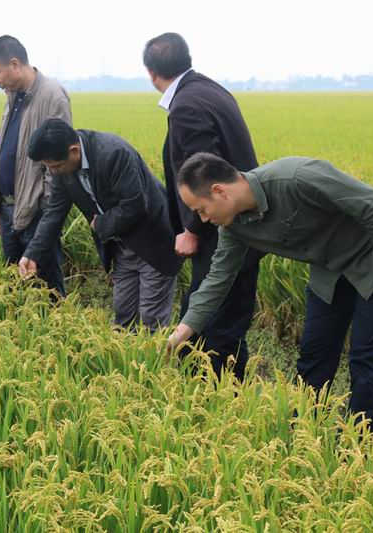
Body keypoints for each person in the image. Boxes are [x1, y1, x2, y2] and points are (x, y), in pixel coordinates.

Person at [168, 153, 373, 430]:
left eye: (201, 209)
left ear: (219, 191)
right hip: (328, 273)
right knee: (314, 355)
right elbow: (218, 279)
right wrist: (182, 333)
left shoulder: (297, 177)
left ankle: (359, 440)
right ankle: (305, 433)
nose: (202, 219)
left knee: (366, 360)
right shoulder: (233, 227)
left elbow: (372, 203)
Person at [143, 32, 262, 379]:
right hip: (239, 228)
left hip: (219, 236)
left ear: (151, 73)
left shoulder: (186, 107)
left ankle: (217, 399)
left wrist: (192, 229)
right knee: (222, 322)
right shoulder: (211, 90)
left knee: (215, 329)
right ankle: (224, 394)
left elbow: (204, 175)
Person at [19, 119, 183, 331]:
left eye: (55, 165)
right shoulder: (63, 170)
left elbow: (135, 204)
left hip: (153, 241)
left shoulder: (114, 153)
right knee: (123, 316)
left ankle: (157, 353)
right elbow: (53, 214)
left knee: (152, 319)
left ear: (74, 151)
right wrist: (32, 254)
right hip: (121, 247)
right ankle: (125, 353)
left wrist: (101, 224)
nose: (53, 171)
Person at [0, 35, 71, 296]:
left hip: (36, 212)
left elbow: (59, 161)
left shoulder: (52, 96)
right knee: (17, 285)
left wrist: (44, 208)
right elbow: (5, 151)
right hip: (9, 208)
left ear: (14, 63)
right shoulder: (13, 97)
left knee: (45, 287)